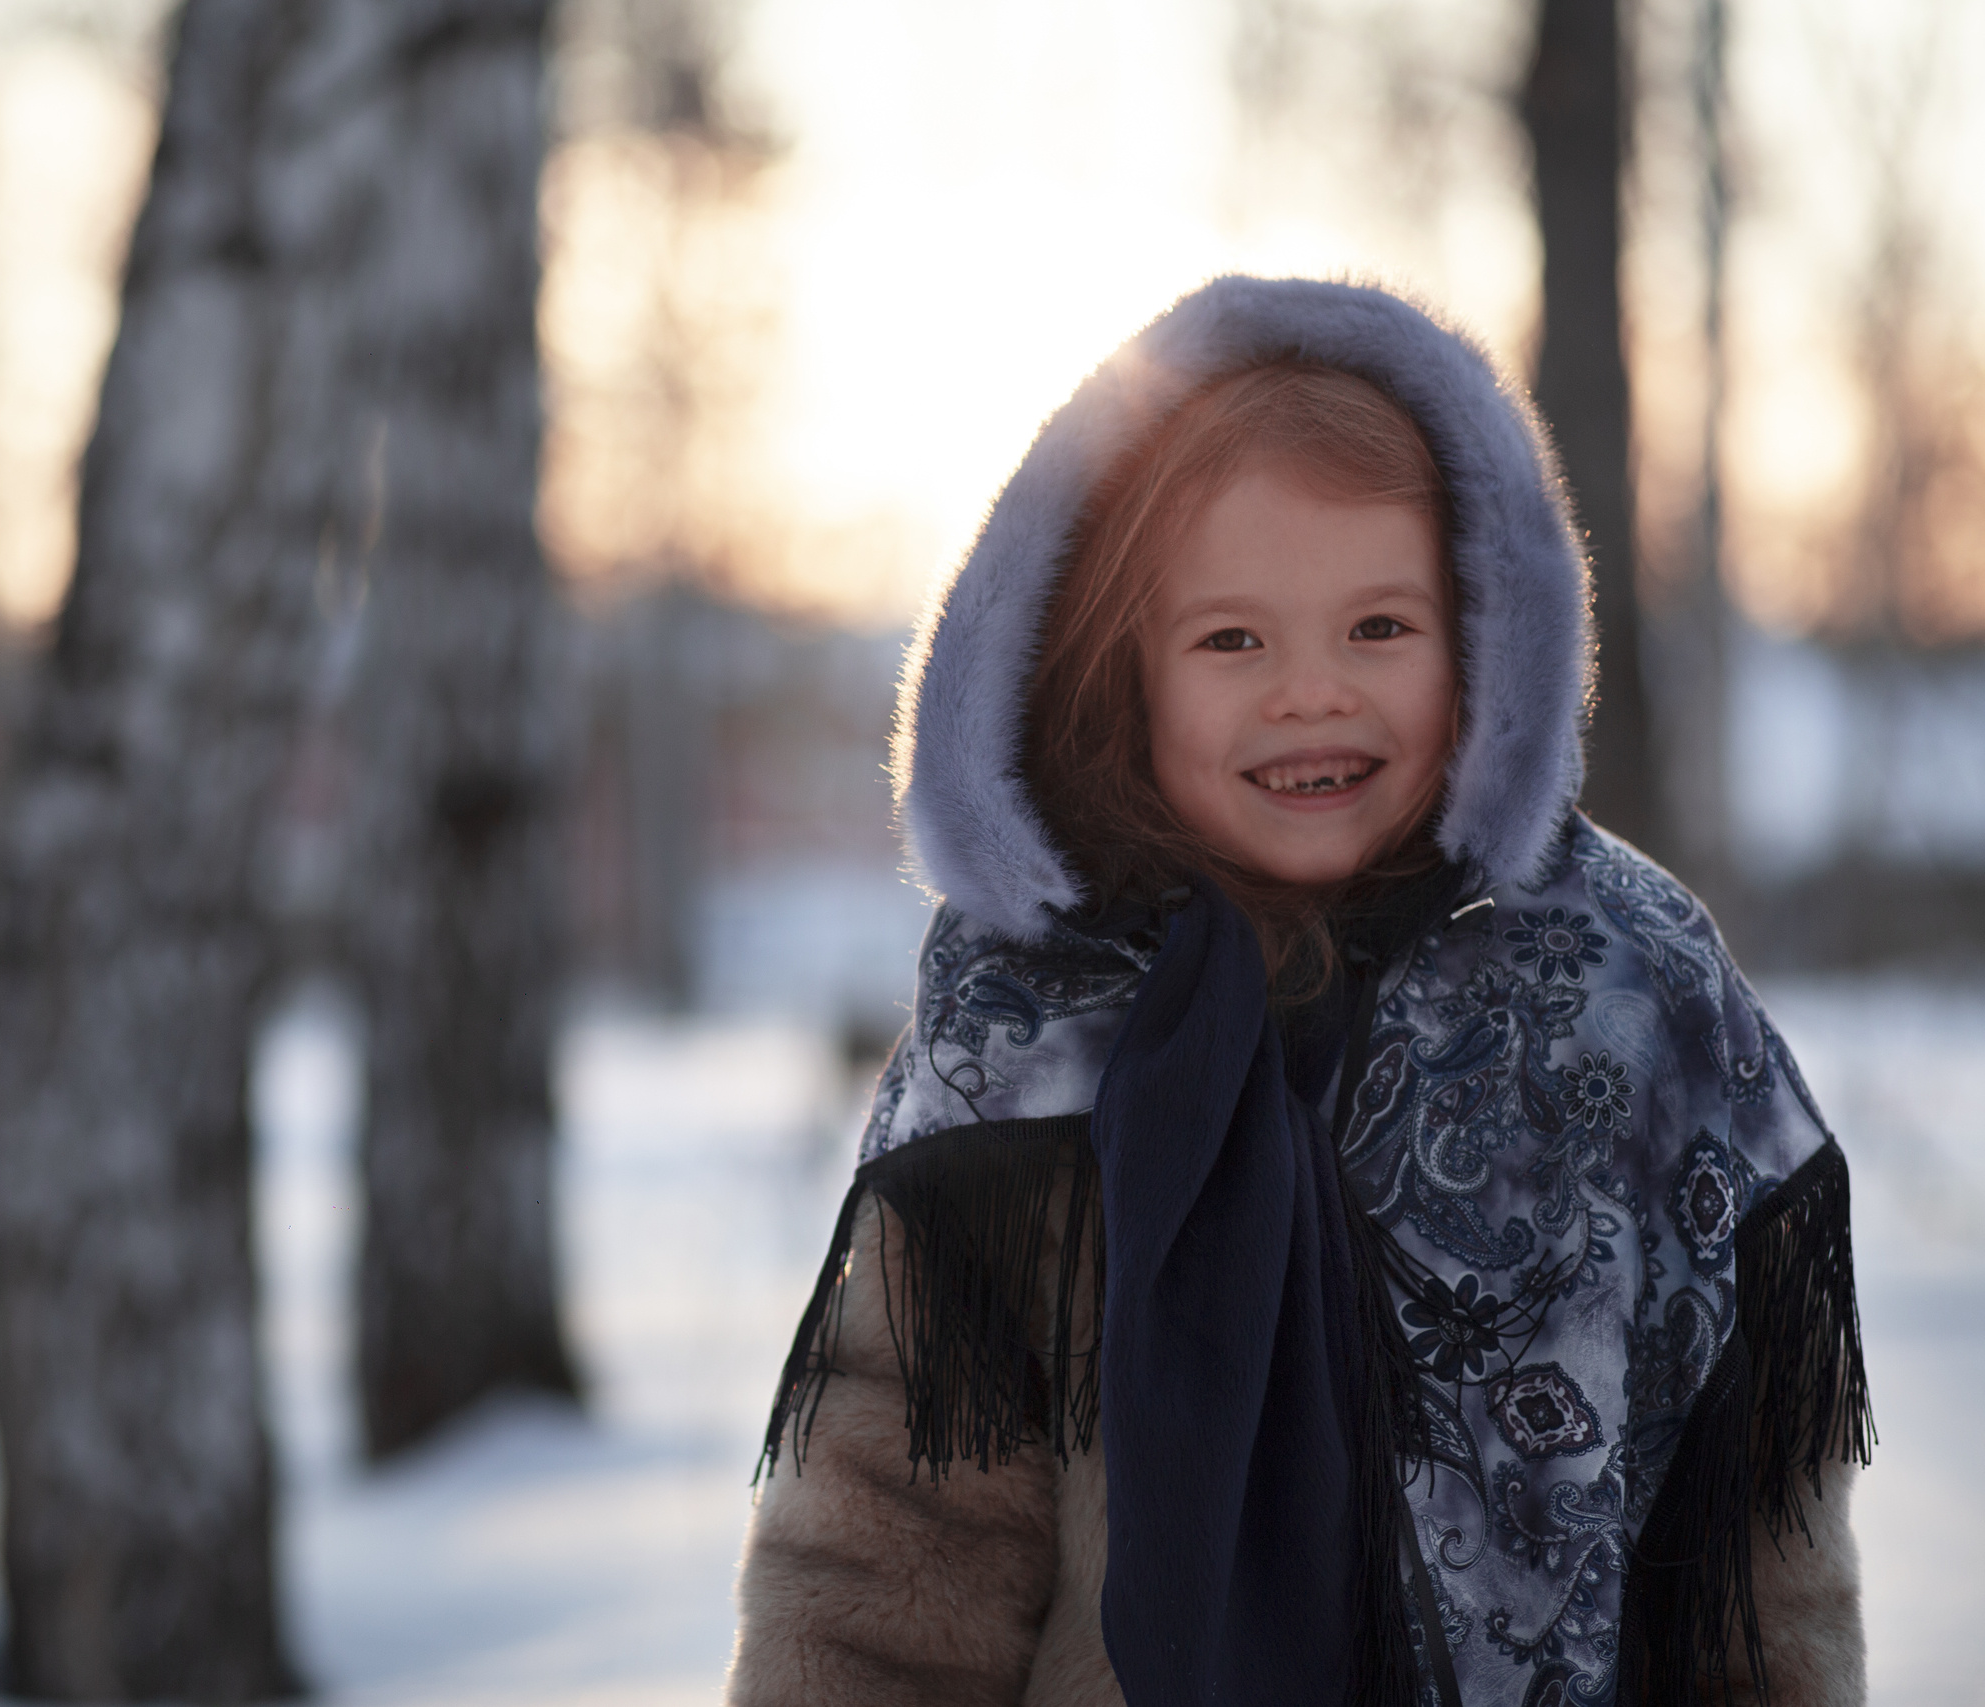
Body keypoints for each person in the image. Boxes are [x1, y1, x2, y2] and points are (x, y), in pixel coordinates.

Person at [725, 277, 1869, 1707]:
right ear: (1115, 675)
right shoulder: (1027, 1043)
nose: (1311, 694)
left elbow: (1759, 1541)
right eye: (1231, 641)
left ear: (1486, 638)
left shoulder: (1630, 999)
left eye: (1380, 628)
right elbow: (887, 1559)